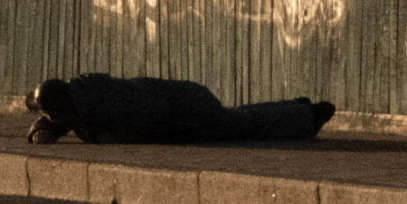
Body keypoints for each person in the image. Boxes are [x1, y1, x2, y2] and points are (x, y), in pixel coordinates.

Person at [23, 74, 336, 145]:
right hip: (182, 100)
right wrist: (54, 125)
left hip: (187, 110)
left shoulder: (109, 106)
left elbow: (131, 131)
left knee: (242, 126)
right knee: (239, 118)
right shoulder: (83, 93)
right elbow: (72, 114)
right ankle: (299, 108)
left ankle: (307, 116)